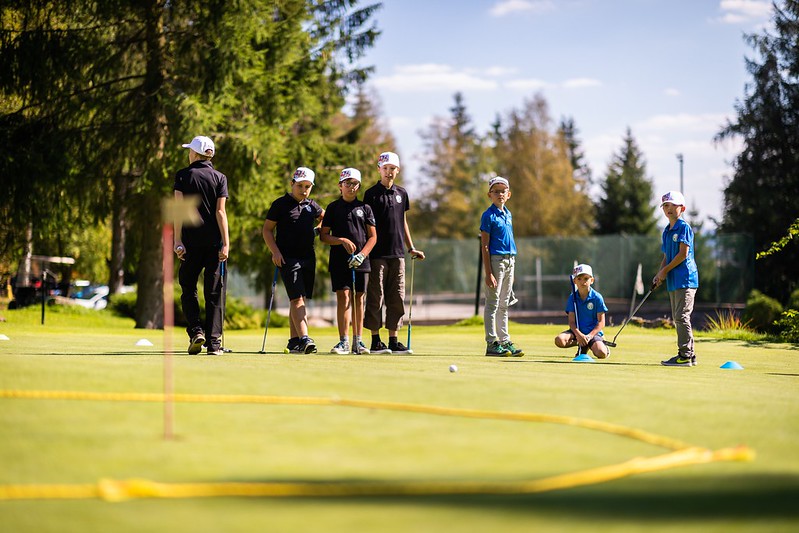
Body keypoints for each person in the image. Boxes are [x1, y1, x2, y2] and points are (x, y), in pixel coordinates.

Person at [363, 151, 425, 354]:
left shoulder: (402, 193)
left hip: (398, 253)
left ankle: (393, 340)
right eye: (385, 169)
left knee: (397, 297)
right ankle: (375, 340)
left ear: (398, 170)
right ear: (379, 170)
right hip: (377, 254)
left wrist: (411, 247)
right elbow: (367, 226)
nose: (389, 172)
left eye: (392, 169)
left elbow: (403, 222)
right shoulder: (371, 194)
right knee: (376, 297)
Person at [173, 135, 230, 356]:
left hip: (190, 243)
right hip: (214, 244)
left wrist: (178, 241)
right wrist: (226, 243)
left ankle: (196, 331)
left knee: (188, 288)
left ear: (195, 153)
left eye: (190, 151)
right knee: (214, 292)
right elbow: (220, 212)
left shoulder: (183, 175)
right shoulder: (220, 177)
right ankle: (214, 344)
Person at [263, 167, 324, 354]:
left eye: (307, 186)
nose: (303, 190)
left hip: (308, 256)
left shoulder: (311, 206)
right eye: (300, 186)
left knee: (298, 299)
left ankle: (294, 341)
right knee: (297, 298)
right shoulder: (280, 204)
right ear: (292, 184)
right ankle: (305, 338)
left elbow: (324, 217)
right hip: (287, 258)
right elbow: (267, 230)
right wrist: (275, 252)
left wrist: (318, 229)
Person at [320, 168, 377, 354]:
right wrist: (341, 240)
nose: (351, 187)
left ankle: (358, 342)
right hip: (339, 261)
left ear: (359, 186)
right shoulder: (333, 208)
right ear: (340, 186)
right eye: (347, 184)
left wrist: (362, 255)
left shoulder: (365, 208)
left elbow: (373, 237)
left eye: (355, 184)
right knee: (343, 297)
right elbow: (324, 236)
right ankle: (343, 341)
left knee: (359, 299)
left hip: (362, 261)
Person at [654, 190, 699, 367]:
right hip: (673, 279)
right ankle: (691, 355)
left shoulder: (684, 227)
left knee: (681, 317)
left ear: (682, 208)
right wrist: (660, 274)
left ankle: (685, 355)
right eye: (666, 205)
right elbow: (667, 256)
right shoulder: (666, 231)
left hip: (686, 279)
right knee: (679, 317)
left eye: (673, 205)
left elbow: (682, 254)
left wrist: (665, 271)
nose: (669, 209)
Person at [480, 176, 523, 357]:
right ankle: (492, 343)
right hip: (496, 261)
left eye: (503, 191)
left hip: (510, 260)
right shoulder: (488, 215)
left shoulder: (508, 214)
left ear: (509, 194)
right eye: (496, 191)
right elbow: (485, 246)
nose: (500, 194)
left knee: (504, 304)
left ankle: (504, 341)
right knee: (493, 303)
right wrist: (488, 272)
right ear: (490, 194)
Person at [554, 264, 610, 359]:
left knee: (601, 353)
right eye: (579, 279)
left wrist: (589, 336)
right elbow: (571, 322)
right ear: (574, 281)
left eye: (586, 278)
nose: (582, 282)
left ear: (591, 280)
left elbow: (601, 322)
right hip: (577, 332)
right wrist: (579, 335)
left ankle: (600, 346)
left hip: (593, 333)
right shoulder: (572, 298)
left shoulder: (597, 298)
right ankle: (581, 343)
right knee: (559, 340)